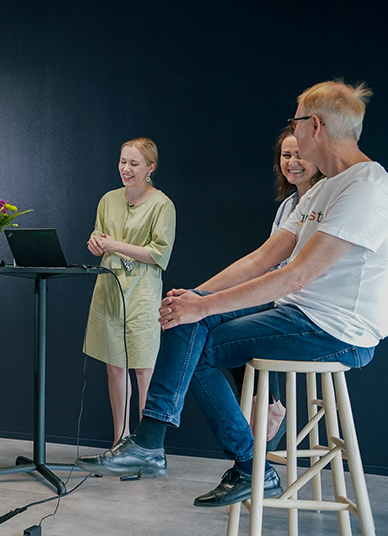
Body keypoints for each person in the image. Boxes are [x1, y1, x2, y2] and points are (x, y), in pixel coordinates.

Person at [76, 80, 387, 508]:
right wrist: (196, 297)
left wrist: (204, 305)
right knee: (186, 319)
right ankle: (149, 443)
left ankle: (247, 465)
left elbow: (296, 275)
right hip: (298, 313)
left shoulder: (365, 186)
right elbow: (263, 258)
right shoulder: (322, 189)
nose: (293, 134)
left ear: (315, 125)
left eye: (296, 122)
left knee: (198, 346)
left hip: (337, 331)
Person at [228, 126, 324, 451]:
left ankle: (266, 407)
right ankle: (267, 402)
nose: (292, 162)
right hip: (278, 294)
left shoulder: (324, 202)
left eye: (299, 155)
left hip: (304, 304)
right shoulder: (287, 206)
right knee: (221, 322)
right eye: (286, 155)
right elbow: (269, 260)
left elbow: (300, 269)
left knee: (226, 330)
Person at [84, 138, 176, 443]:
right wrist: (96, 243)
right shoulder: (108, 200)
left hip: (142, 293)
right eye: (123, 161)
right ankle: (120, 440)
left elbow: (159, 254)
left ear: (150, 168)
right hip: (109, 289)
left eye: (134, 163)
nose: (126, 168)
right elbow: (99, 237)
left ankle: (146, 444)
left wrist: (116, 245)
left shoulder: (162, 205)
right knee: (115, 367)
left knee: (144, 370)